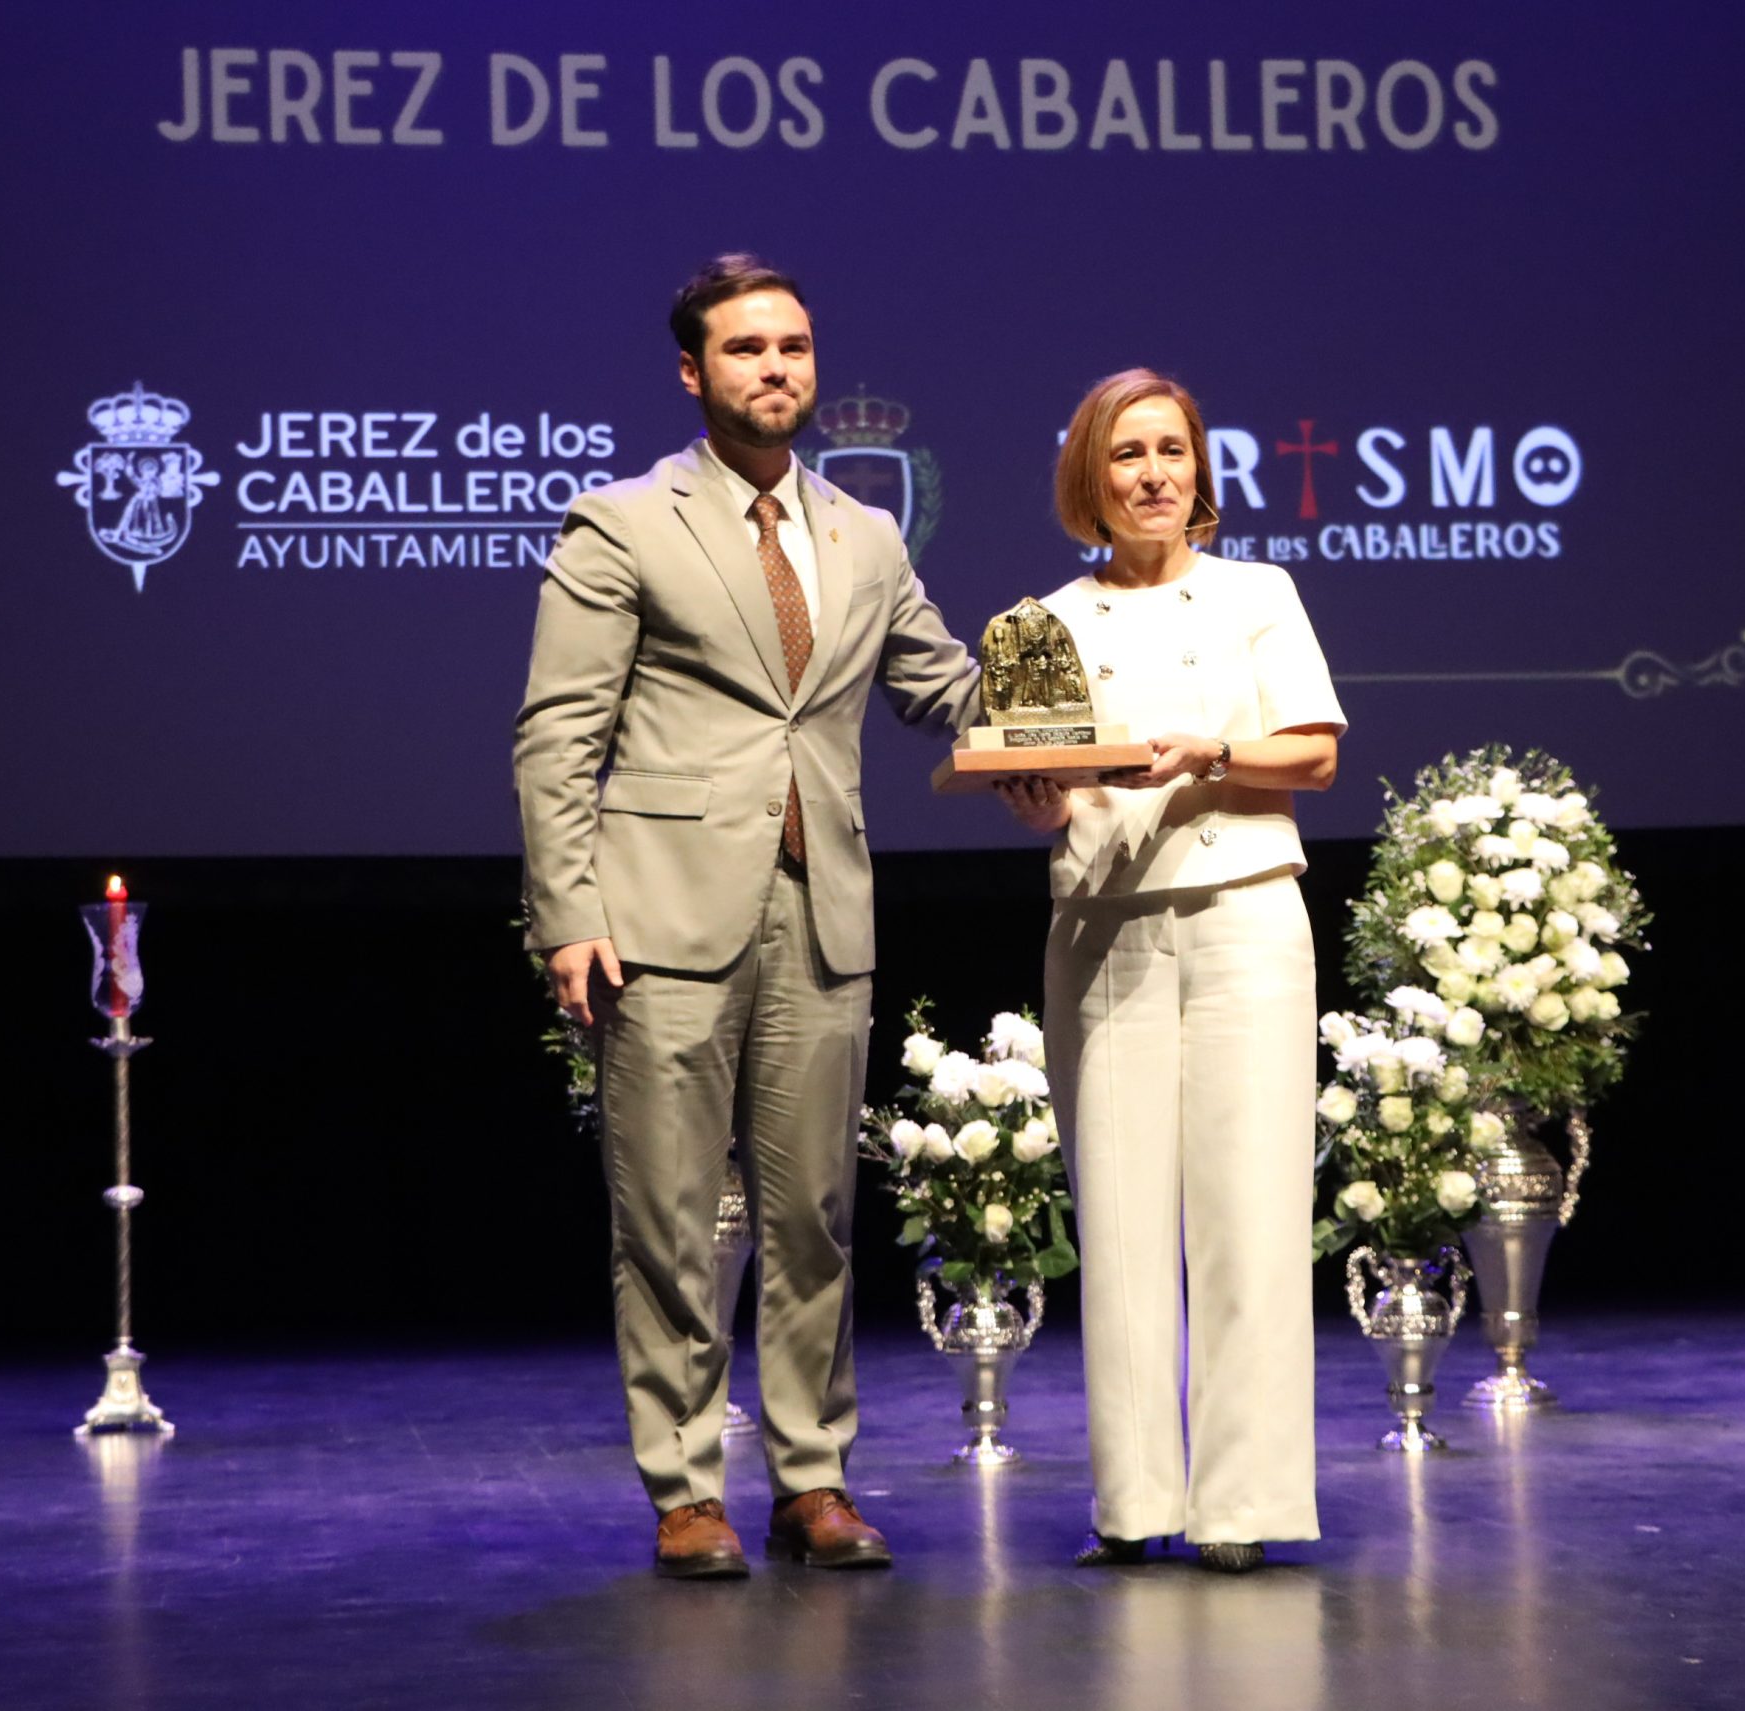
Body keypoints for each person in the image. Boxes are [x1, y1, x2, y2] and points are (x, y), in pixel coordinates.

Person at [515, 256, 981, 1579]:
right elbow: (559, 734)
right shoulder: (622, 522)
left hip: (819, 908)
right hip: (661, 917)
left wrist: (1083, 689)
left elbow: (943, 685)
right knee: (667, 1217)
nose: (775, 368)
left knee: (816, 1213)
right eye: (745, 349)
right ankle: (684, 1488)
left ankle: (813, 1477)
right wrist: (568, 911)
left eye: (794, 346)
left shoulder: (865, 536)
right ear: (693, 372)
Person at [995, 370, 1343, 1573]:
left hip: (1247, 917)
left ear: (1200, 471)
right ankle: (1132, 1506)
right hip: (1104, 929)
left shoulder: (1258, 592)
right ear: (1088, 477)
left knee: (1249, 1215)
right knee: (1125, 1224)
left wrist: (1211, 752)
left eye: (1171, 452)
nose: (1151, 474)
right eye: (1126, 454)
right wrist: (1037, 795)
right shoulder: (1040, 624)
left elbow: (1313, 755)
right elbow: (1044, 791)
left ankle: (1241, 1510)